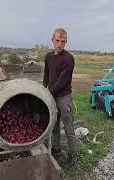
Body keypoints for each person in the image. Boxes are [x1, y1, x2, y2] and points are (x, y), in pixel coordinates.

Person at [43, 28, 77, 170]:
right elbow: (46, 74)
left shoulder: (68, 59)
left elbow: (62, 81)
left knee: (68, 127)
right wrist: (42, 88)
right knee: (54, 125)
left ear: (66, 42)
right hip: (51, 95)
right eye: (57, 41)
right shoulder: (48, 57)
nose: (59, 44)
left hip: (63, 97)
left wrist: (48, 93)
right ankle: (56, 150)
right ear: (52, 40)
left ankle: (72, 155)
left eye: (62, 41)